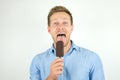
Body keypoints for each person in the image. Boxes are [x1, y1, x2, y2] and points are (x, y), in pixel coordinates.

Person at [30, 6, 105, 80]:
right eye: (55, 23)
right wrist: (51, 77)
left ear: (71, 28)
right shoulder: (37, 61)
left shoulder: (92, 58)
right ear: (49, 29)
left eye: (65, 23)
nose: (60, 27)